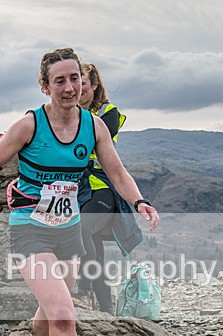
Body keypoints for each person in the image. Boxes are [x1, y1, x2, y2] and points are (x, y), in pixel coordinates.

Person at [0, 48, 159, 336]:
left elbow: (117, 172)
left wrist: (139, 201)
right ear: (45, 86)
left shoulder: (94, 126)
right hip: (30, 227)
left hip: (68, 227)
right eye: (59, 80)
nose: (69, 87)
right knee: (62, 313)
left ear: (84, 81)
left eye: (75, 78)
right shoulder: (29, 125)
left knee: (52, 303)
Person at [75, 63, 143, 313]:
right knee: (94, 248)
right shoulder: (68, 114)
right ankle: (106, 308)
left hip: (102, 188)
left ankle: (83, 290)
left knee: (82, 229)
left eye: (83, 83)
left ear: (94, 85)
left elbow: (91, 140)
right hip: (78, 191)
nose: (78, 88)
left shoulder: (108, 112)